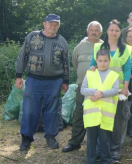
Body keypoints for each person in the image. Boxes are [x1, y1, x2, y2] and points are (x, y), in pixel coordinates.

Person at [15, 14, 69, 151]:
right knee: (30, 110)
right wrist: (18, 76)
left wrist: (65, 81)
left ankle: (50, 136)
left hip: (54, 81)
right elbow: (23, 55)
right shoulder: (32, 37)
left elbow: (66, 63)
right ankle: (26, 139)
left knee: (51, 111)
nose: (53, 26)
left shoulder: (62, 41)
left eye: (56, 24)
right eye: (50, 23)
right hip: (34, 80)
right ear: (44, 24)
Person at [90, 19, 131, 163]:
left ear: (121, 33)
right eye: (111, 30)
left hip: (117, 90)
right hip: (100, 91)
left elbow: (127, 69)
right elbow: (92, 65)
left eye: (117, 30)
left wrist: (125, 87)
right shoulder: (98, 47)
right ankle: (99, 150)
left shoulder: (125, 49)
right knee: (100, 120)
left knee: (116, 121)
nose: (114, 33)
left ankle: (114, 150)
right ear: (106, 31)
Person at [62, 21, 103, 153]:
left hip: (99, 89)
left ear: (100, 33)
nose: (94, 32)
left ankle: (98, 146)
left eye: (96, 30)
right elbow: (75, 64)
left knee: (99, 116)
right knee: (79, 114)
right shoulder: (79, 47)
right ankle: (74, 142)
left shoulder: (104, 46)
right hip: (82, 87)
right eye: (91, 30)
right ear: (87, 31)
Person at [81, 49, 119, 164]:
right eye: (100, 61)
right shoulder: (90, 73)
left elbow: (115, 90)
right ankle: (91, 160)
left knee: (104, 139)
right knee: (91, 140)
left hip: (106, 114)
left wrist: (99, 94)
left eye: (105, 61)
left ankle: (106, 160)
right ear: (96, 61)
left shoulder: (113, 75)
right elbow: (83, 89)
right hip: (91, 114)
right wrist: (94, 91)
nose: (103, 63)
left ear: (109, 61)